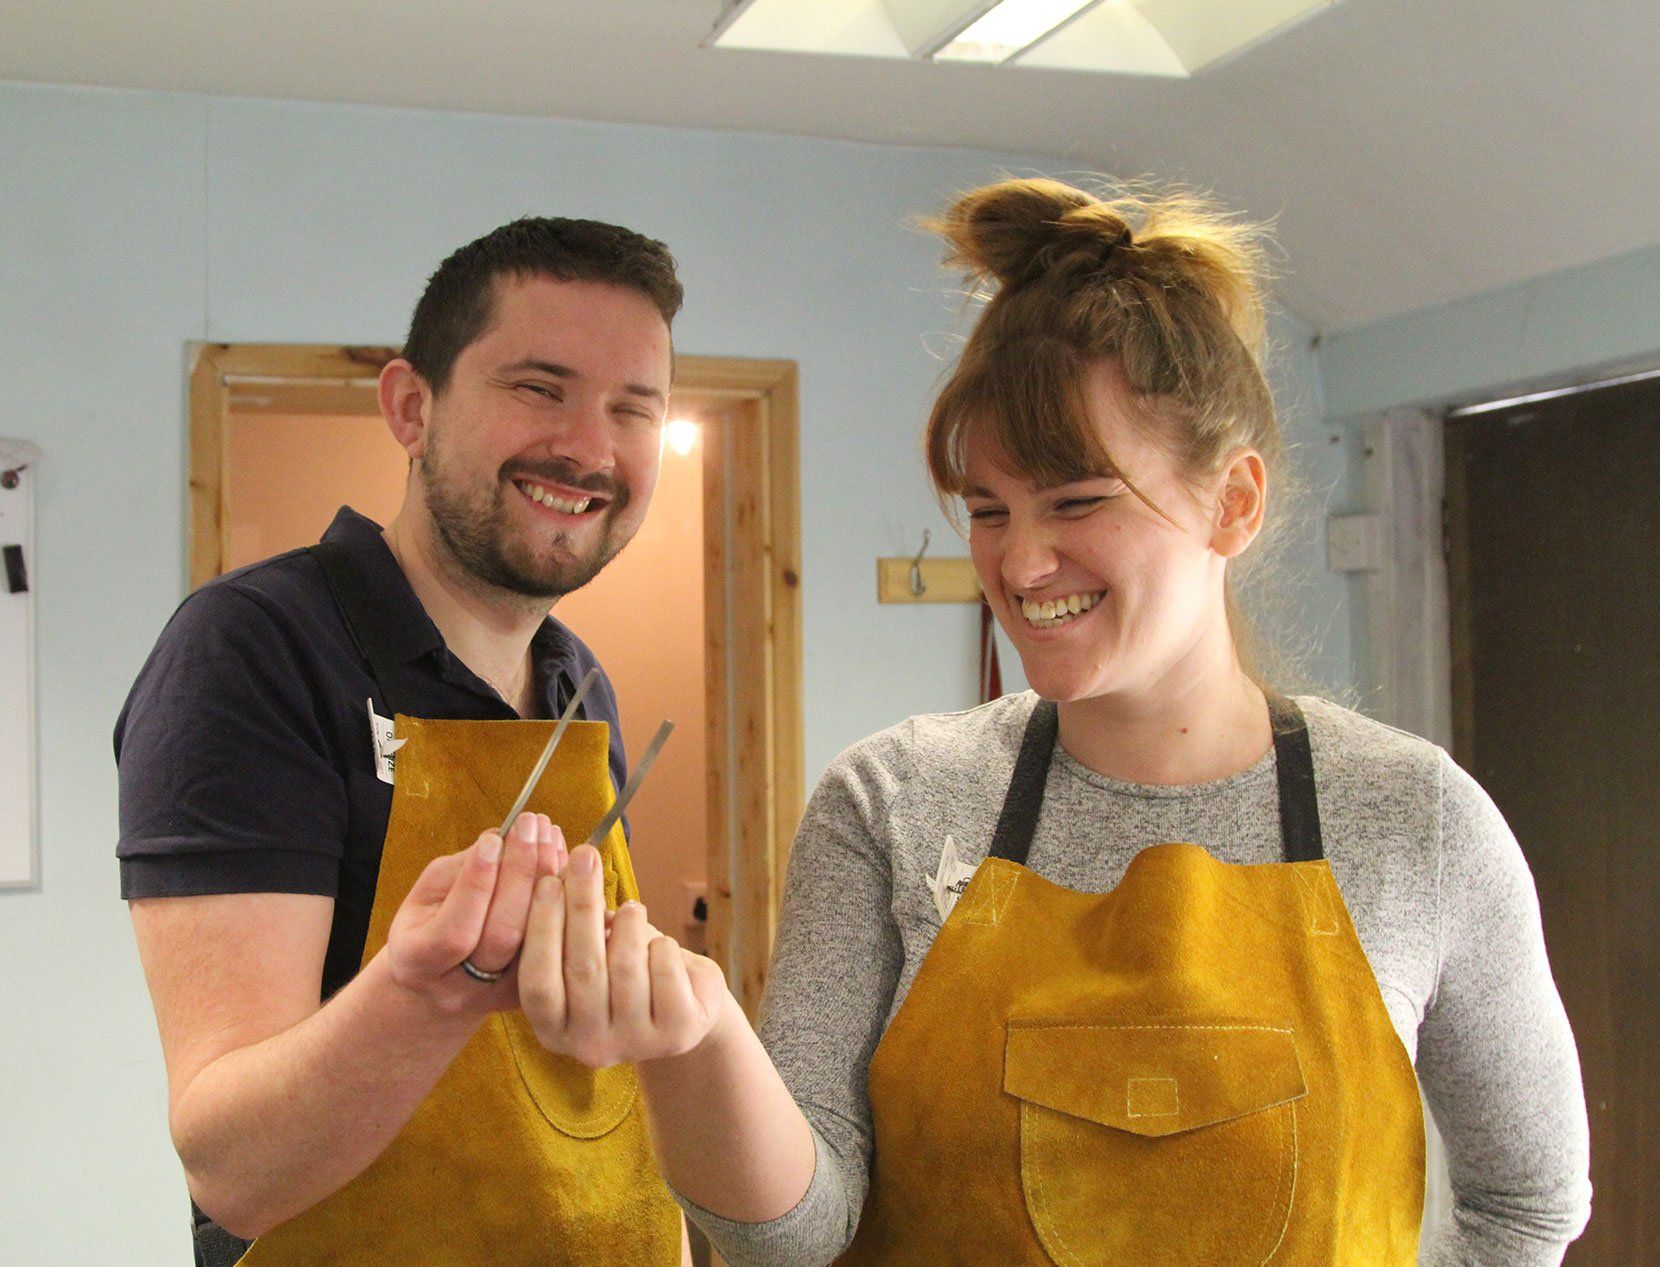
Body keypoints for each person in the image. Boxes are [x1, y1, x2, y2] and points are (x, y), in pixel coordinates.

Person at [513, 179, 1593, 1264]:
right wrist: (694, 1044)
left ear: (1234, 502)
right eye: (988, 510)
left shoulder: (1417, 820)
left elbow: (1526, 1204)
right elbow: (789, 1239)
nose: (1019, 565)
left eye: (1076, 502)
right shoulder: (892, 801)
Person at [116, 216, 692, 1265]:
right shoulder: (254, 651)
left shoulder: (578, 684)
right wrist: (424, 993)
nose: (589, 446)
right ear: (411, 407)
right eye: (538, 386)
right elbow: (232, 1167)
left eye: (632, 408)